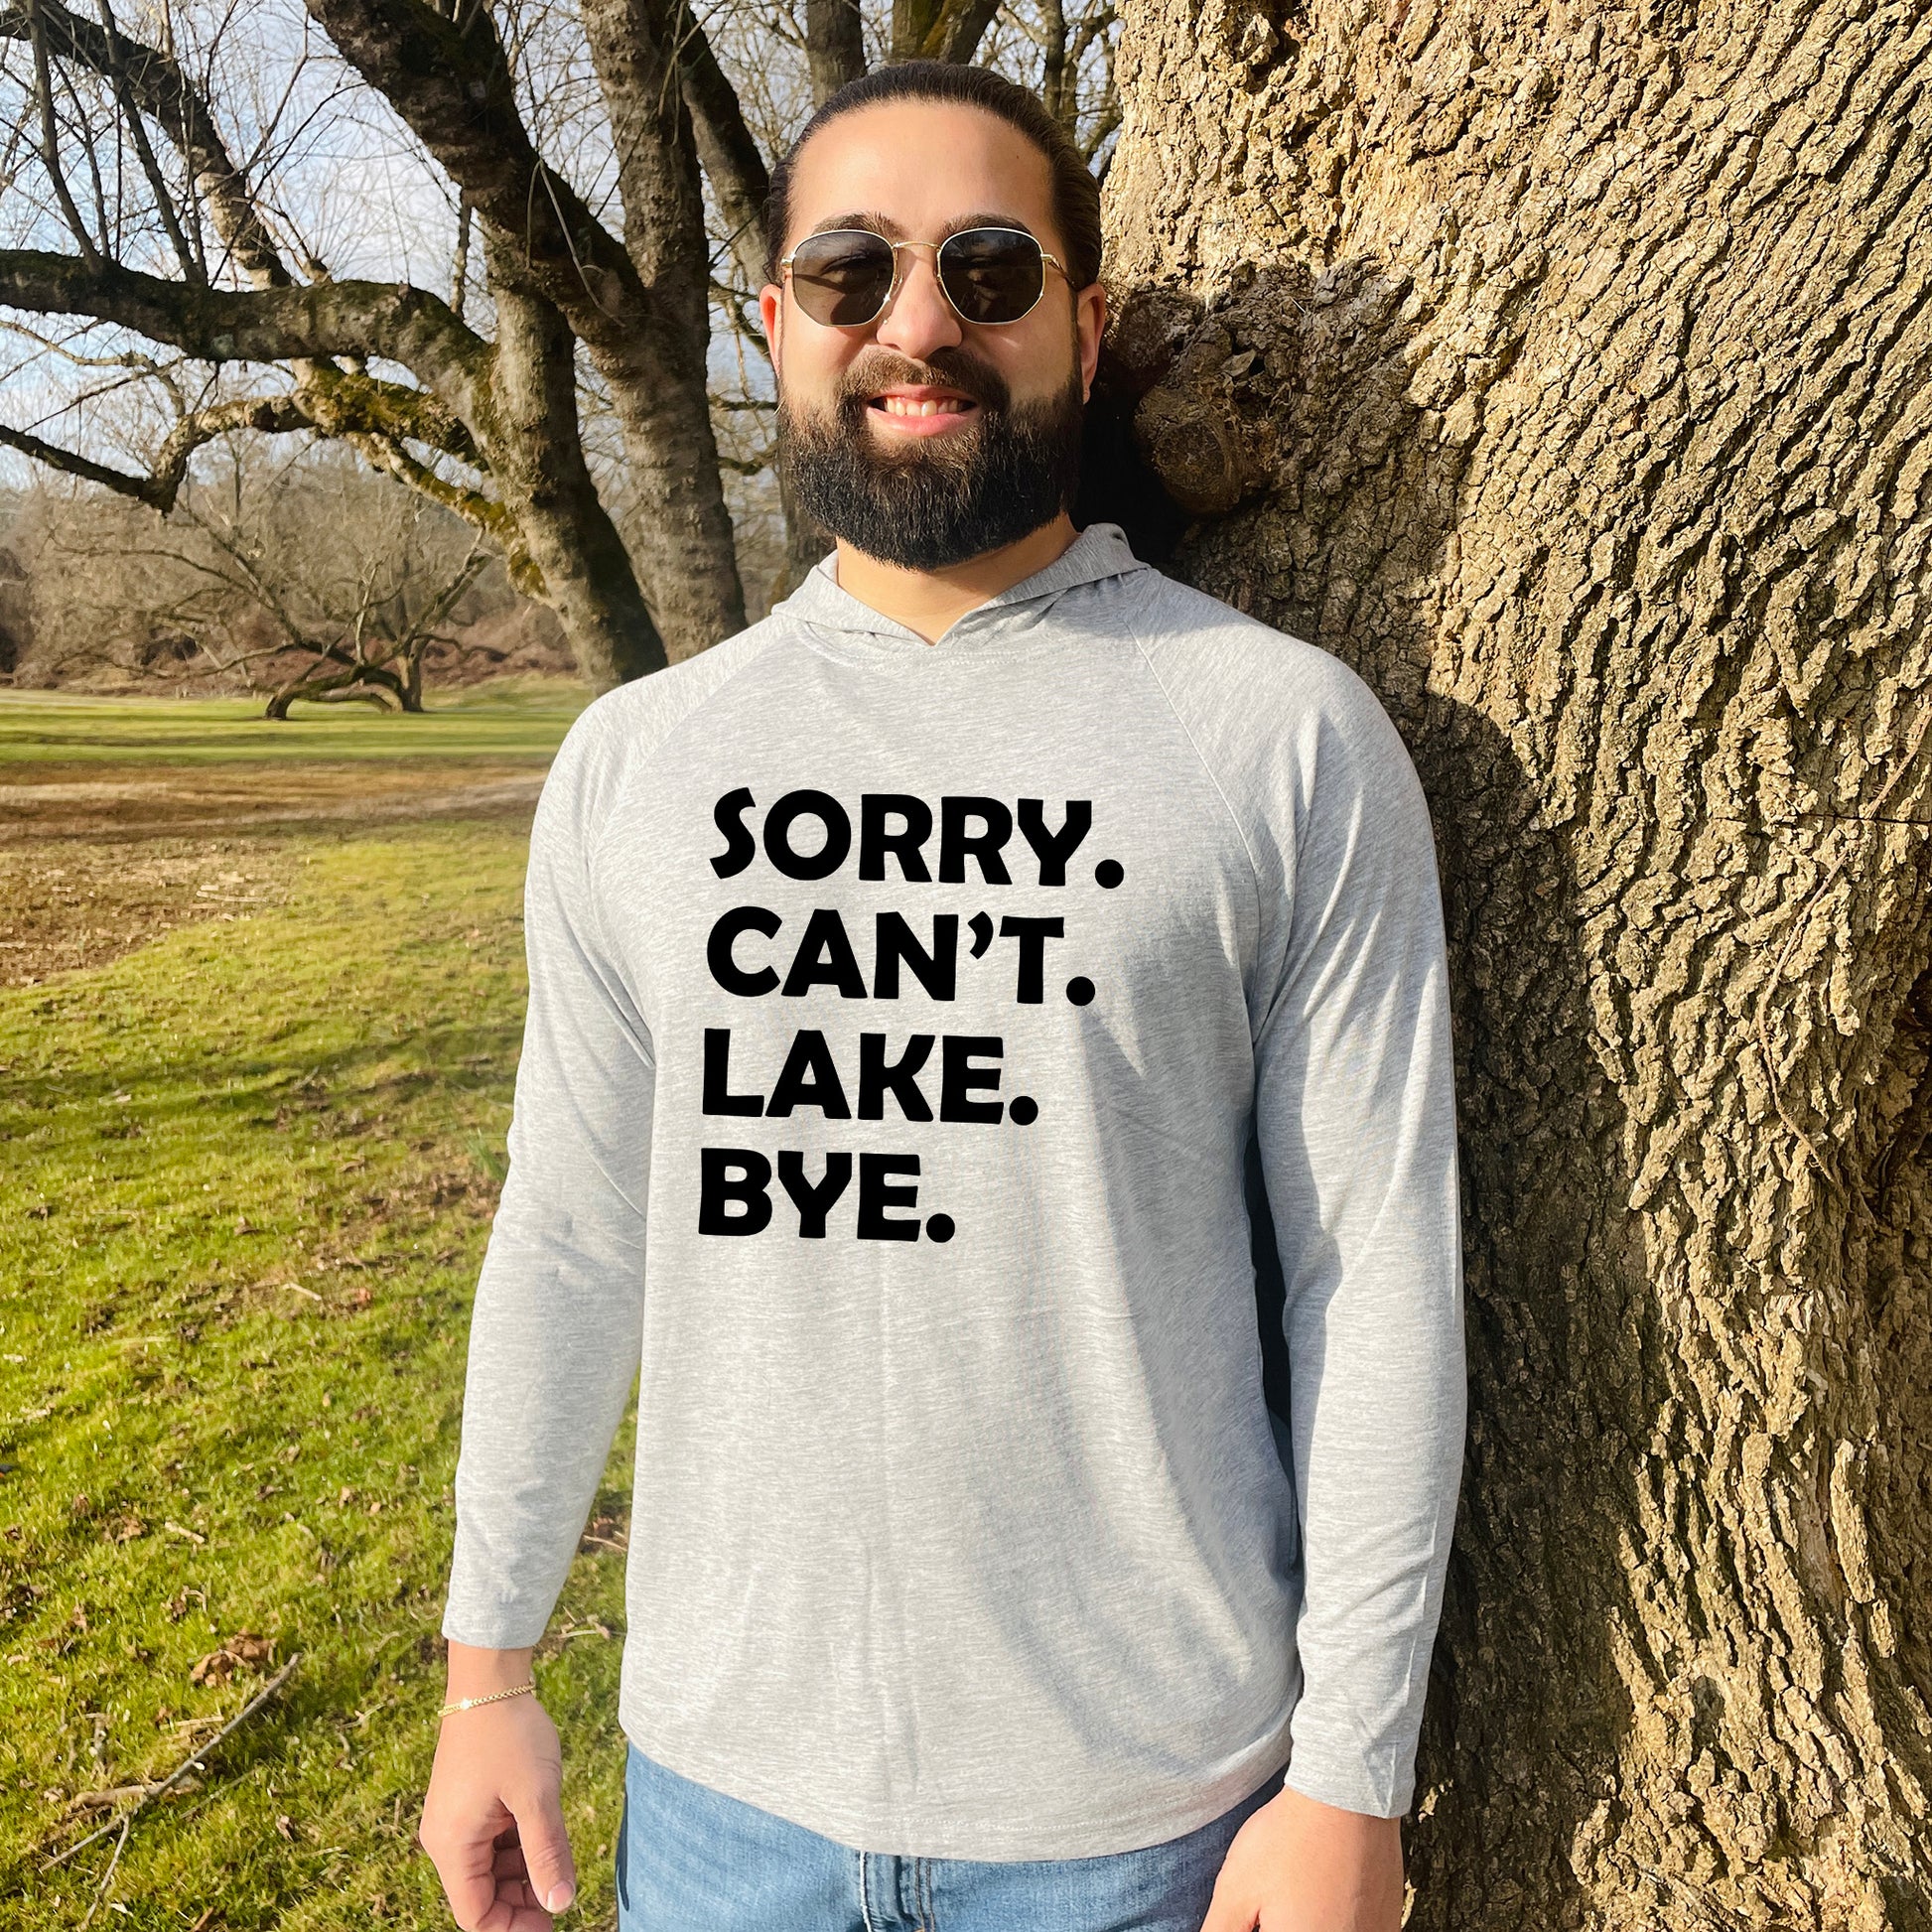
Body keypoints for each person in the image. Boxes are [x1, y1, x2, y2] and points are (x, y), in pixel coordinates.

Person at [418, 59, 1466, 1932]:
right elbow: (570, 1238)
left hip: (1152, 1814)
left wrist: (1349, 1776)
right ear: (775, 327)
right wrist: (487, 1670)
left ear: (1084, 318)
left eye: (987, 268)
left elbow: (1372, 1269)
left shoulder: (1279, 738)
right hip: (718, 1800)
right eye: (850, 273)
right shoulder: (637, 763)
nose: (918, 324)